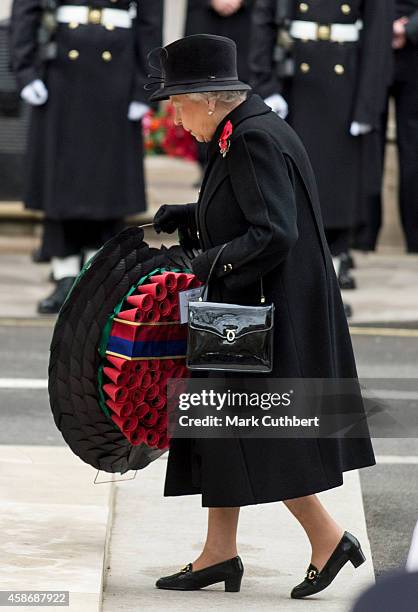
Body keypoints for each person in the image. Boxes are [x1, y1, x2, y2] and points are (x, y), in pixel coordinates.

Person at [149, 34, 375, 598]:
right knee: (217, 426)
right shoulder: (245, 128)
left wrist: (204, 266)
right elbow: (251, 208)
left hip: (264, 314)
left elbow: (274, 231)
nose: (176, 117)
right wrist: (192, 214)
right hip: (259, 306)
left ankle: (329, 539)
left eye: (178, 104)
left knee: (261, 434)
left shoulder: (249, 138)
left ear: (207, 98)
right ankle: (218, 553)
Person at [9, 0, 162, 313]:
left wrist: (145, 86)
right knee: (62, 174)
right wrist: (24, 68)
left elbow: (150, 19)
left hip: (117, 71)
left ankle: (101, 272)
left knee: (107, 176)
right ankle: (65, 272)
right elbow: (26, 9)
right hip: (62, 68)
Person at [248, 0, 393, 297]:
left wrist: (368, 103)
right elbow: (264, 18)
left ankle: (337, 254)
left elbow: (378, 35)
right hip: (296, 77)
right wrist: (266, 84)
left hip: (344, 78)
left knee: (337, 173)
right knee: (294, 173)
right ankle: (297, 255)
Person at [354, 0, 418, 252]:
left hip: (413, 57)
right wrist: (380, 30)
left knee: (413, 148)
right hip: (369, 51)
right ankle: (364, 234)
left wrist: (409, 29)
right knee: (368, 140)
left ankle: (414, 236)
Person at [185, 0, 254, 179]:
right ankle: (208, 164)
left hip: (247, 19)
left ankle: (242, 162)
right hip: (205, 15)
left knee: (242, 88)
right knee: (201, 87)